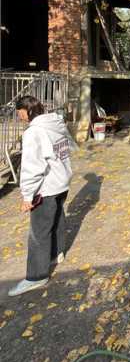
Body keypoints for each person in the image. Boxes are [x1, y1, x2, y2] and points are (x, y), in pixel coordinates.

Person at [8, 96, 76, 296]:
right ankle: (56, 253)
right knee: (57, 218)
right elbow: (68, 149)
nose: (19, 117)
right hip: (61, 181)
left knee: (38, 232)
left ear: (26, 111)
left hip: (46, 187)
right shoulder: (55, 123)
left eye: (19, 112)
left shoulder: (34, 132)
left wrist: (27, 196)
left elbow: (32, 167)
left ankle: (36, 276)